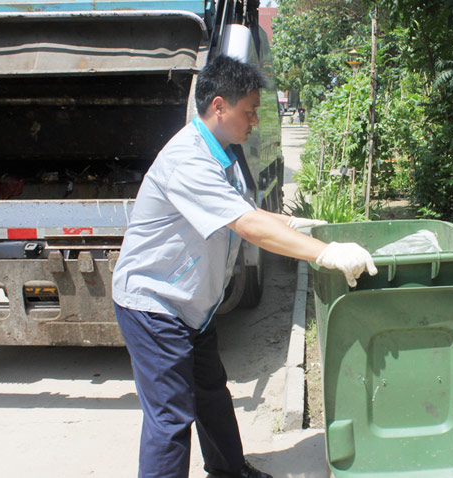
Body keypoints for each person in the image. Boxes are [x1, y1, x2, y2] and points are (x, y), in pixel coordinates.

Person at [112, 54, 377, 478]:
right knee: (171, 419)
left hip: (190, 305)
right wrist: (321, 253)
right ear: (219, 106)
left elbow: (246, 209)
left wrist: (297, 223)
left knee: (211, 394)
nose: (254, 122)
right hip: (154, 303)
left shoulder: (221, 153)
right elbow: (247, 224)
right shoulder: (188, 159)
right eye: (249, 112)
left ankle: (228, 471)